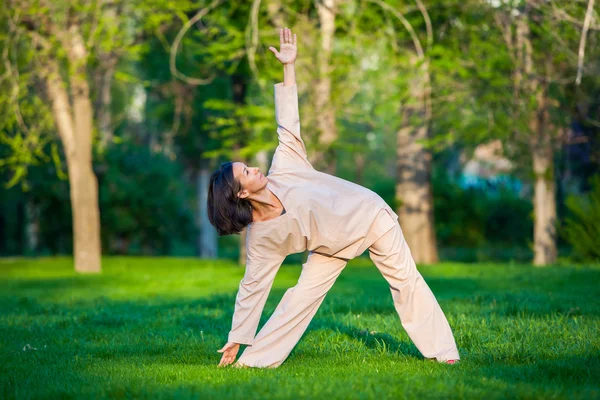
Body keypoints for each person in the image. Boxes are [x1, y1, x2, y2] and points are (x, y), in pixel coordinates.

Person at [208, 28, 460, 369]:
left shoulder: (285, 165)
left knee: (405, 280)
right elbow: (253, 287)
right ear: (241, 192)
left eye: (249, 166)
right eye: (246, 172)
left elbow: (288, 122)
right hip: (330, 247)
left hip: (370, 216)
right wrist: (237, 338)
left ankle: (444, 352)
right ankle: (251, 363)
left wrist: (289, 67)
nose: (254, 168)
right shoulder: (262, 238)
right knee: (298, 300)